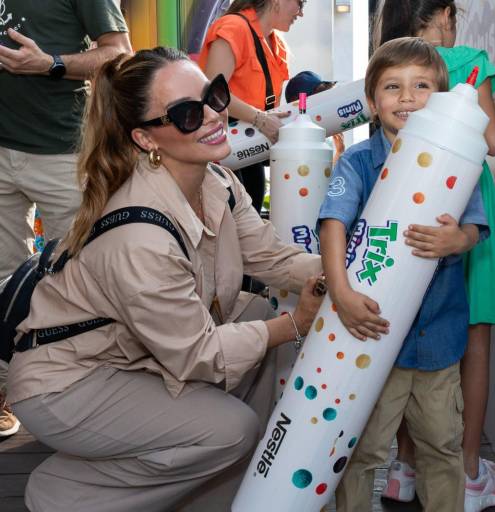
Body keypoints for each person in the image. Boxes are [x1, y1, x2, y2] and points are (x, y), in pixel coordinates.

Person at [6, 47, 324, 512]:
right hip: (68, 383)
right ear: (145, 139)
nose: (215, 115)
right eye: (187, 114)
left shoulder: (215, 181)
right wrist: (295, 324)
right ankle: (68, 492)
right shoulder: (140, 235)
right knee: (230, 429)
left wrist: (340, 272)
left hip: (133, 358)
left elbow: (272, 256)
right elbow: (199, 355)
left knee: (254, 311)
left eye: (214, 96)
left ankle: (222, 498)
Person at [319, 37, 489, 512]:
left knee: (441, 444)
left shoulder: (459, 163)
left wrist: (459, 240)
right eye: (393, 87)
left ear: (441, 98)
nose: (408, 97)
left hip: (438, 340)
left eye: (421, 86)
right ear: (373, 103)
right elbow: (332, 224)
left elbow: (475, 227)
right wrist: (340, 291)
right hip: (374, 341)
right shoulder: (357, 162)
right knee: (364, 448)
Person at [376, 1, 495, 511]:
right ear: (442, 13)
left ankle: (404, 465)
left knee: (411, 329)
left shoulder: (390, 59)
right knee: (473, 339)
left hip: (411, 202)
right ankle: (468, 470)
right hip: (463, 203)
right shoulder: (466, 60)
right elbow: (492, 142)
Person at [0, 0, 131, 439]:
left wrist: (49, 64)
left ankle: (77, 397)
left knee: (77, 278)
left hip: (62, 153)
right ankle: (4, 389)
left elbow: (119, 53)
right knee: (1, 277)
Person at [198, 0, 305, 212]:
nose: (300, 13)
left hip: (249, 147)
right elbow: (213, 91)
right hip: (220, 144)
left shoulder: (277, 43)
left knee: (251, 213)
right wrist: (259, 118)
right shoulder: (234, 27)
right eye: (300, 3)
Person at [284, 70, 345, 164]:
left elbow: (326, 175)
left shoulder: (322, 135)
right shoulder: (290, 139)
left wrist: (339, 152)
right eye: (318, 98)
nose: (323, 105)